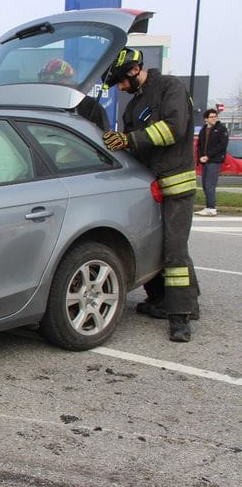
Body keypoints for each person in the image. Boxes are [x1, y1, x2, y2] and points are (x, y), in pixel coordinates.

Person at [100, 47, 199, 342]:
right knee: (159, 246)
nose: (120, 87)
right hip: (152, 187)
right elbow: (132, 147)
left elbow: (174, 130)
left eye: (120, 80)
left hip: (178, 185)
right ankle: (176, 301)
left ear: (133, 70)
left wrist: (130, 138)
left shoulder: (171, 87)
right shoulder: (132, 108)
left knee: (175, 250)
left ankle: (179, 318)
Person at [38, 58, 110, 132]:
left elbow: (105, 135)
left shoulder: (90, 106)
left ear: (66, 80)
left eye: (50, 80)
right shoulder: (40, 103)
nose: (48, 86)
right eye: (45, 81)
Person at [195, 108, 229, 217]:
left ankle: (212, 208)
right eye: (212, 117)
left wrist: (208, 156)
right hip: (205, 161)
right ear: (206, 119)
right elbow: (199, 145)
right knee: (205, 184)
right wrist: (200, 157)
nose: (214, 119)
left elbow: (221, 145)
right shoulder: (203, 129)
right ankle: (208, 206)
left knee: (210, 184)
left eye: (215, 116)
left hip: (214, 160)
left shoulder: (221, 129)